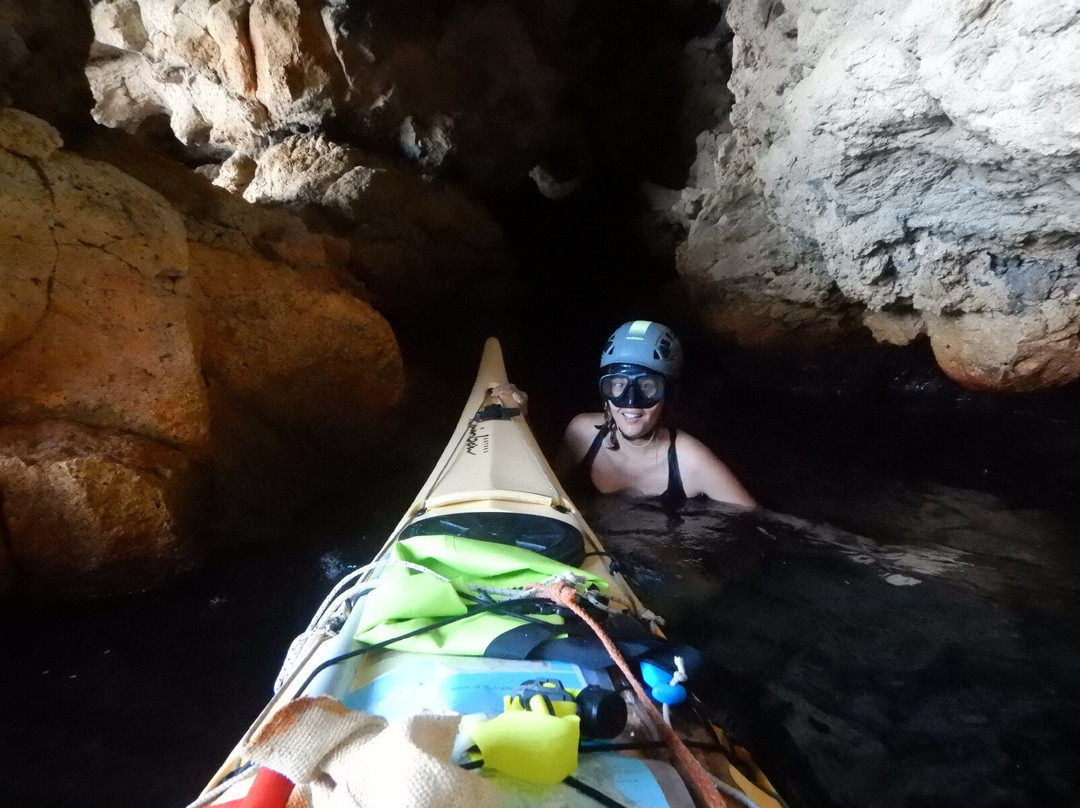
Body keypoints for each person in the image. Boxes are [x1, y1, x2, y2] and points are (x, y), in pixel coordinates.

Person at [495, 321, 756, 509]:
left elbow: (755, 522)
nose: (631, 403)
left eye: (647, 387)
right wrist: (520, 421)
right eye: (617, 385)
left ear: (668, 395)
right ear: (604, 391)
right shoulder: (583, 433)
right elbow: (543, 486)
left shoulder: (691, 461)